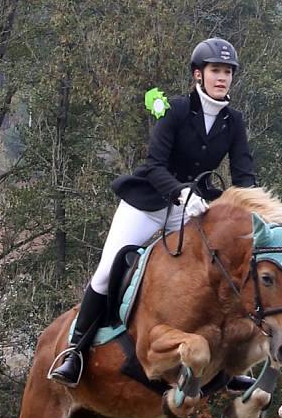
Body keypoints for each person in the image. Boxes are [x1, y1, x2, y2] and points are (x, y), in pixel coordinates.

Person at [49, 37, 257, 387]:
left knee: (220, 270)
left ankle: (227, 363)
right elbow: (155, 165)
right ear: (198, 75)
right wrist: (180, 192)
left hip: (192, 209)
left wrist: (253, 210)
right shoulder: (175, 109)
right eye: (215, 71)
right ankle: (75, 350)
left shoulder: (233, 121)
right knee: (106, 271)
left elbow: (245, 174)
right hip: (148, 204)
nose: (222, 78)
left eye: (227, 72)